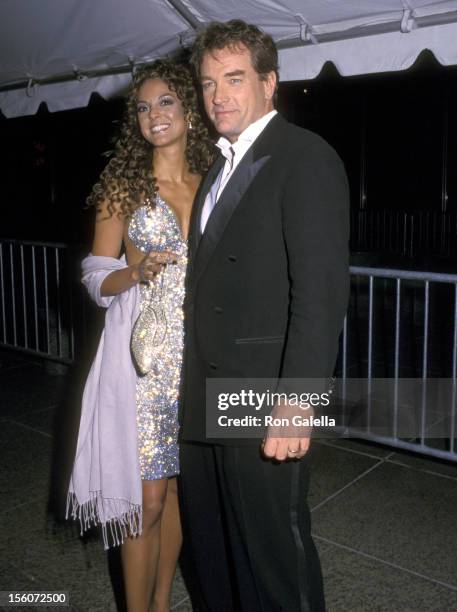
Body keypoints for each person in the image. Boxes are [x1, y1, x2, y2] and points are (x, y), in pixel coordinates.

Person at [178, 20, 350, 611]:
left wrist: (299, 400)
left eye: (234, 78)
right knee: (215, 550)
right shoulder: (216, 172)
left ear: (268, 82)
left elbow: (321, 293)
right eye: (207, 83)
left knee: (273, 555)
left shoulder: (304, 156)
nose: (218, 96)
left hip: (262, 391)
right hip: (203, 391)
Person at [66, 59, 214, 612]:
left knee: (178, 492)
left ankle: (158, 603)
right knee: (145, 501)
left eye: (167, 102)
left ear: (189, 111)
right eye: (144, 107)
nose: (155, 115)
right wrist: (136, 270)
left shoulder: (211, 183)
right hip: (144, 361)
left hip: (197, 358)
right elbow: (93, 273)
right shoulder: (122, 187)